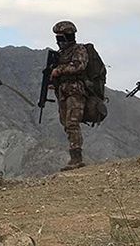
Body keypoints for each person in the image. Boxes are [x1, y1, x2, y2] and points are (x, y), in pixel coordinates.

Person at [50, 21, 88, 171]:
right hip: (62, 91)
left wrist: (59, 70)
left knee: (72, 123)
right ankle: (74, 157)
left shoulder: (79, 50)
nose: (59, 41)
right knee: (66, 123)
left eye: (61, 37)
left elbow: (79, 66)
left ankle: (76, 158)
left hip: (75, 91)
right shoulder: (60, 54)